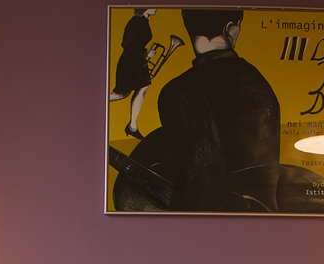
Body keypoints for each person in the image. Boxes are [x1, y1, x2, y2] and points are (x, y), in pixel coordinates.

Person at [155, 9, 281, 211]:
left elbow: (201, 181)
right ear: (230, 27)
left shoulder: (176, 90)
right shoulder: (257, 79)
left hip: (208, 222)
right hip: (263, 217)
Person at [109, 8, 157, 139]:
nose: (156, 8)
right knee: (122, 93)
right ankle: (96, 100)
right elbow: (126, 43)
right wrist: (145, 52)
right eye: (152, 5)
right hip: (129, 63)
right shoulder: (135, 21)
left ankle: (132, 126)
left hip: (137, 62)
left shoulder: (143, 21)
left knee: (143, 88)